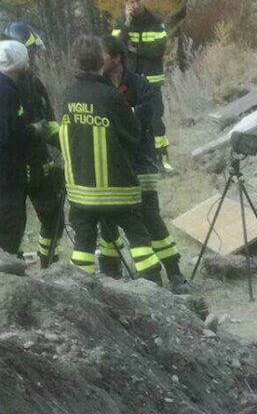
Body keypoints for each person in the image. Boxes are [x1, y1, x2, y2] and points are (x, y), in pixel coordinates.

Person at [58, 35, 163, 284]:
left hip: (81, 194)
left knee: (83, 244)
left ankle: (80, 294)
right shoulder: (110, 96)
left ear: (75, 62)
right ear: (99, 62)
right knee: (139, 239)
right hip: (118, 191)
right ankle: (154, 287)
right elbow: (133, 134)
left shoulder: (67, 96)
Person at [97, 36, 190, 293]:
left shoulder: (139, 84)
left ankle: (174, 273)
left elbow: (152, 112)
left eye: (103, 55)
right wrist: (129, 117)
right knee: (108, 220)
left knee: (150, 217)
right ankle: (111, 274)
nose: (98, 60)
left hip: (141, 161)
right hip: (112, 164)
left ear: (116, 58)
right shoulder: (97, 86)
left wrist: (123, 118)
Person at [1, 23, 64, 267]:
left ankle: (49, 262)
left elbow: (48, 123)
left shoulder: (34, 85)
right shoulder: (5, 88)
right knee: (11, 223)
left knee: (52, 216)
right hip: (12, 170)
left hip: (38, 164)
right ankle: (9, 268)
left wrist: (67, 146)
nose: (32, 61)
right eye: (30, 54)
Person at [112, 0, 173, 173]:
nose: (136, 5)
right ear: (126, 3)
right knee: (130, 119)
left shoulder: (155, 21)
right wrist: (127, 24)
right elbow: (116, 48)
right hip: (130, 81)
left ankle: (162, 159)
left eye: (138, 0)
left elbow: (159, 49)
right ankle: (137, 160)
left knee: (155, 119)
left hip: (152, 80)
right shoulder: (122, 22)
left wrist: (137, 49)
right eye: (132, 2)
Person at [0, 41, 33, 257]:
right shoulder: (7, 90)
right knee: (11, 226)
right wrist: (33, 131)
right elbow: (7, 134)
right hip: (7, 175)